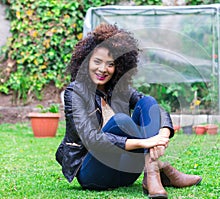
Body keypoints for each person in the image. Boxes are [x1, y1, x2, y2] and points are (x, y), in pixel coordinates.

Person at [55, 23, 202, 199]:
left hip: (126, 173)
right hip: (93, 174)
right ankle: (161, 170)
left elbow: (152, 107)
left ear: (118, 67)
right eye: (97, 61)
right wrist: (145, 142)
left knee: (148, 101)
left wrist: (163, 132)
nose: (103, 69)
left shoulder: (118, 89)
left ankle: (152, 171)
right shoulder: (75, 92)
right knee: (121, 121)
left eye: (110, 64)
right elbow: (92, 139)